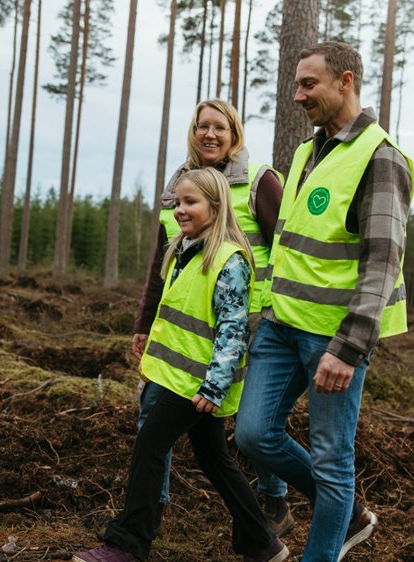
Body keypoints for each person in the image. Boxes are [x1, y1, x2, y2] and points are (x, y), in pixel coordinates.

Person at [234, 41, 414, 562]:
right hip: (280, 326)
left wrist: (350, 346)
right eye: (295, 85)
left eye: (308, 84)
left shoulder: (381, 159)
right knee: (253, 434)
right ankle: (348, 513)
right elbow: (290, 243)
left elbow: (383, 262)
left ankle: (325, 546)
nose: (297, 96)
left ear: (345, 81)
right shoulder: (305, 152)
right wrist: (266, 311)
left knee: (333, 460)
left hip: (333, 337)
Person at [73, 168, 288, 562]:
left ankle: (128, 544)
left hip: (197, 384)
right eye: (178, 203)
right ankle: (263, 543)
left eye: (191, 203)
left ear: (217, 206)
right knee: (213, 459)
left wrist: (215, 386)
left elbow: (233, 329)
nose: (180, 211)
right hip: (178, 376)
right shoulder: (184, 250)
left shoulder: (229, 260)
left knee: (150, 447)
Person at [130, 99, 296, 535]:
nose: (209, 134)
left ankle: (274, 500)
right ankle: (151, 508)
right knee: (158, 414)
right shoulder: (178, 185)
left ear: (234, 133)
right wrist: (145, 323)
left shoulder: (258, 181)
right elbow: (161, 263)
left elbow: (287, 244)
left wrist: (284, 310)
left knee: (252, 422)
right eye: (202, 126)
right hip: (188, 328)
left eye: (219, 127)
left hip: (256, 322)